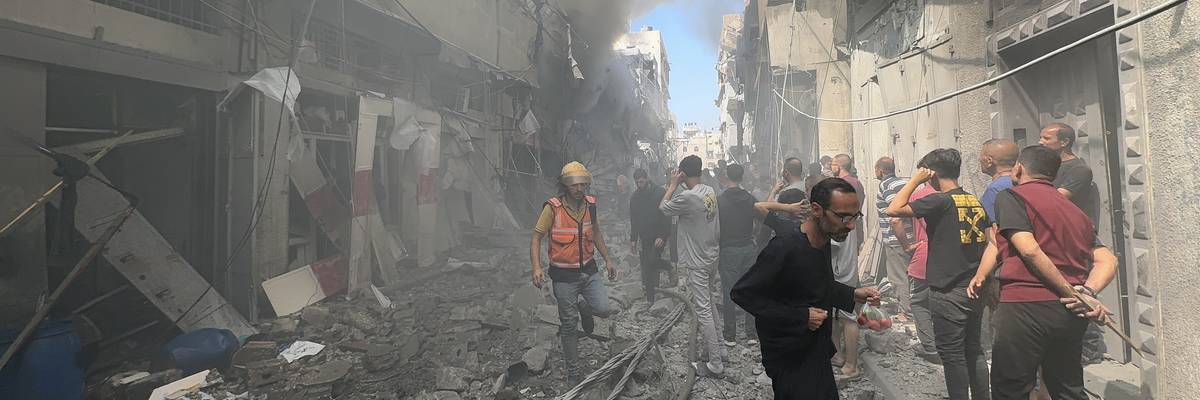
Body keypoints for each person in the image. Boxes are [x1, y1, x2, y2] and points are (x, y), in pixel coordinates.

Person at [967, 145, 1118, 400]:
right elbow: (1107, 260)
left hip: (1025, 306)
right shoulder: (1076, 212)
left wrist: (1070, 291)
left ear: (1019, 169)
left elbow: (1029, 250)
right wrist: (1086, 292)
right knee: (1066, 388)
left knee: (1010, 388)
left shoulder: (1013, 197)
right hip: (1070, 311)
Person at [731, 178, 881, 400]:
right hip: (789, 354)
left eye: (855, 217)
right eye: (844, 217)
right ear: (816, 210)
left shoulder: (823, 241)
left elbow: (815, 285)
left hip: (816, 348)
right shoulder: (784, 247)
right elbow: (743, 294)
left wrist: (851, 294)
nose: (851, 225)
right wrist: (801, 316)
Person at [886, 149, 991, 400]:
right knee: (973, 350)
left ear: (931, 174)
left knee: (952, 355)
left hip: (948, 289)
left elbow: (894, 209)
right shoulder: (973, 199)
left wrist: (914, 181)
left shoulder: (940, 201)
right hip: (973, 286)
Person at [529, 161, 618, 383]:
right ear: (565, 185)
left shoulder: (591, 205)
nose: (579, 189)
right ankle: (574, 372)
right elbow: (536, 238)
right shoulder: (552, 208)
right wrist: (537, 267)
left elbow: (595, 232)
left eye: (582, 185)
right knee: (568, 325)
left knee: (604, 309)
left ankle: (585, 308)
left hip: (588, 272)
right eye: (574, 185)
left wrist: (608, 259)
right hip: (563, 277)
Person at [1038, 123, 1106, 364]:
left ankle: (1089, 350)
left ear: (1064, 142)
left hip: (1074, 240)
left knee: (1077, 292)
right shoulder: (1050, 169)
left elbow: (1054, 200)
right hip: (1054, 239)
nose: (1041, 142)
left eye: (1047, 138)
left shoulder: (1078, 170)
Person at [660, 155, 725, 377]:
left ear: (683, 173)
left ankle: (715, 364)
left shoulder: (687, 197)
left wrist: (672, 184)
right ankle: (722, 349)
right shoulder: (708, 190)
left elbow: (664, 207)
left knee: (704, 310)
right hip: (711, 255)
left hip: (697, 261)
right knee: (711, 303)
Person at [716, 164, 759, 346]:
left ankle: (730, 335)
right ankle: (750, 334)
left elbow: (715, 226)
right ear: (742, 176)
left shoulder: (720, 200)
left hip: (728, 249)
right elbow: (759, 222)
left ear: (727, 176)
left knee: (729, 292)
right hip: (748, 247)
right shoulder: (750, 198)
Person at [874, 157, 916, 323]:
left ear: (880, 170)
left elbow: (895, 217)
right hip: (909, 237)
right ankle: (913, 308)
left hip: (897, 239)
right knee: (910, 276)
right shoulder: (903, 184)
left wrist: (904, 244)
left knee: (898, 277)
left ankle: (907, 313)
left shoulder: (886, 186)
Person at [907, 182, 940, 363]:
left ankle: (930, 346)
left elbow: (895, 219)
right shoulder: (952, 195)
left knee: (919, 301)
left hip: (923, 253)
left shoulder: (917, 195)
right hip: (947, 257)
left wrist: (906, 245)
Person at [629, 168, 671, 304]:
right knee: (647, 268)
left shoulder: (659, 193)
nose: (639, 185)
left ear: (647, 178)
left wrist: (662, 236)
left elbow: (666, 216)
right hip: (645, 236)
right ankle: (650, 299)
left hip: (659, 234)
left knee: (652, 261)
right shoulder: (635, 197)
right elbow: (634, 220)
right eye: (637, 183)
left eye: (641, 181)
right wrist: (633, 239)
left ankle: (669, 266)